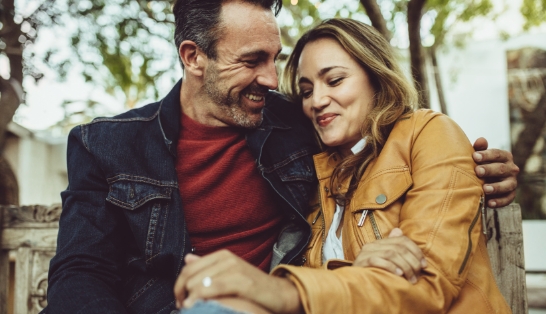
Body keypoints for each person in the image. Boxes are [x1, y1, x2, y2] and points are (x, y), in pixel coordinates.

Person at [45, 1, 517, 313]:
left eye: (275, 58)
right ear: (193, 57)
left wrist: (477, 169)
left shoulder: (302, 125)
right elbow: (82, 270)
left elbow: (394, 143)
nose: (275, 81)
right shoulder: (105, 144)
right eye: (252, 61)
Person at [173, 18, 512, 314]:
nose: (317, 101)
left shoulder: (427, 133)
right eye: (306, 91)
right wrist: (354, 268)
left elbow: (426, 282)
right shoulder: (317, 171)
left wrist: (281, 290)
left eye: (334, 81)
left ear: (375, 76)